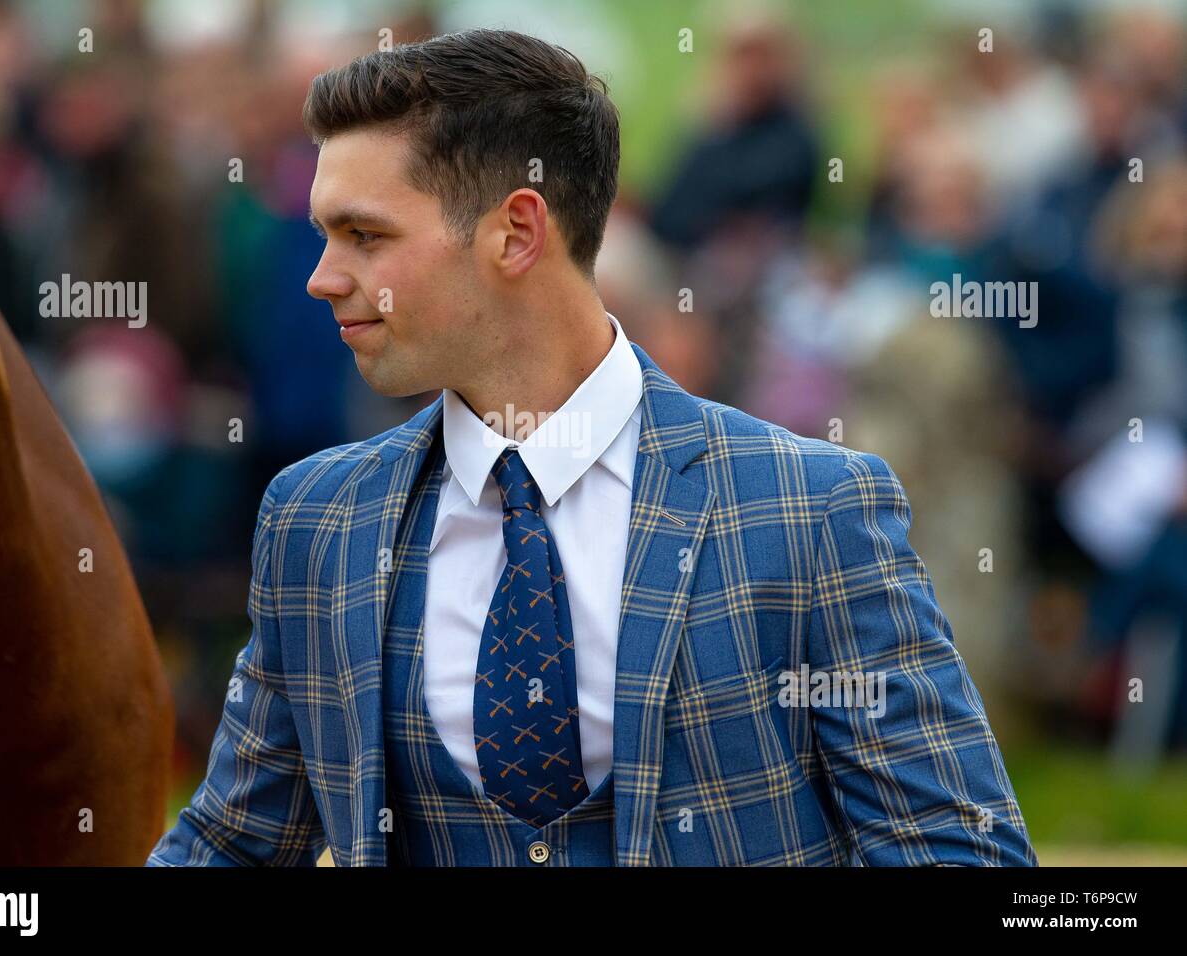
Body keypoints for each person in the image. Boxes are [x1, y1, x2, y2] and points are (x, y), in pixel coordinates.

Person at [148, 28, 1036, 867]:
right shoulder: (315, 519)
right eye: (324, 236)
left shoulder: (810, 509)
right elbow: (232, 845)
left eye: (365, 235)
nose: (323, 277)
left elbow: (961, 851)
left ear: (517, 231)